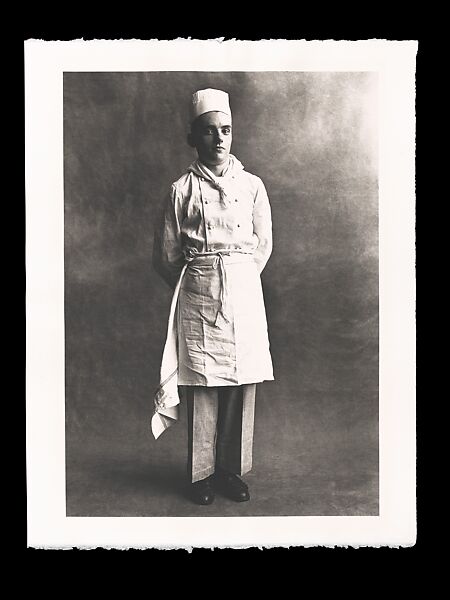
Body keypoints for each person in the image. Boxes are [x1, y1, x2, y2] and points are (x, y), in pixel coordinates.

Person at [152, 88, 274, 505]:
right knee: (203, 383)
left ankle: (230, 471)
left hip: (243, 289)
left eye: (226, 130)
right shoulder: (180, 190)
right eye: (209, 131)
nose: (219, 139)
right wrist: (201, 283)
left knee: (241, 383)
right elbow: (166, 255)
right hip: (200, 293)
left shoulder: (253, 185)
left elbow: (264, 244)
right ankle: (200, 474)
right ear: (194, 137)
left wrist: (237, 277)